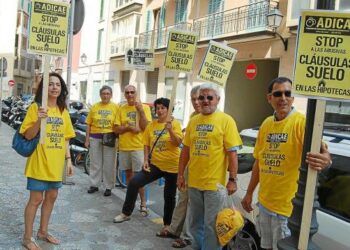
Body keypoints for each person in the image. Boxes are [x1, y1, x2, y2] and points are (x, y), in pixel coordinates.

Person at [241, 77, 332, 250]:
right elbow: (258, 164)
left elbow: (323, 153)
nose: (283, 97)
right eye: (278, 94)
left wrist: (326, 158)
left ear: (293, 97)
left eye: (288, 93)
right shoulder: (266, 124)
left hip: (286, 212)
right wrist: (249, 193)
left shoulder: (301, 122)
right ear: (269, 98)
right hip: (264, 205)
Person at [177, 83, 243, 250]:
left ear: (217, 100)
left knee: (211, 227)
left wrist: (233, 179)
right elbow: (186, 150)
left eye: (209, 97)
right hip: (194, 183)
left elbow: (232, 154)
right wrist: (180, 175)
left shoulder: (226, 120)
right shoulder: (194, 121)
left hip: (215, 185)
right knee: (193, 225)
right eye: (201, 97)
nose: (205, 100)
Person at [20, 72, 75, 250]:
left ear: (62, 89)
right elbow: (28, 135)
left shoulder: (63, 111)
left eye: (58, 85)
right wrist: (39, 119)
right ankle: (27, 238)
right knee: (35, 199)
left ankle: (43, 232)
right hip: (39, 161)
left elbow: (66, 138)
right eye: (50, 84)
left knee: (52, 197)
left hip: (56, 162)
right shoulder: (36, 108)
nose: (54, 87)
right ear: (45, 88)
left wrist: (68, 160)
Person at [113, 97, 183, 227]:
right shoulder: (152, 125)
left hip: (172, 166)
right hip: (155, 165)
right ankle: (126, 213)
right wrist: (145, 160)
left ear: (168, 110)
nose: (160, 111)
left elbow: (177, 143)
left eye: (163, 108)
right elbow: (146, 144)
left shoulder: (175, 124)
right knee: (134, 182)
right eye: (158, 108)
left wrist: (170, 130)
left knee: (169, 196)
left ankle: (167, 225)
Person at [157, 85, 201, 248]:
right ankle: (174, 229)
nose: (198, 101)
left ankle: (187, 236)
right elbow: (186, 144)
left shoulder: (218, 118)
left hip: (204, 169)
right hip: (190, 164)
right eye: (194, 98)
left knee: (193, 205)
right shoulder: (194, 116)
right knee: (183, 199)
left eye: (201, 98)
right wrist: (182, 172)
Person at [114, 85, 152, 215]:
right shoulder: (121, 109)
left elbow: (146, 127)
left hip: (138, 147)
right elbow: (116, 129)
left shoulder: (145, 107)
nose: (130, 95)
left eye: (132, 92)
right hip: (124, 147)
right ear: (124, 94)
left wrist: (140, 111)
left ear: (136, 93)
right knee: (129, 176)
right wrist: (128, 128)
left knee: (140, 177)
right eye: (127, 92)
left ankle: (143, 203)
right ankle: (131, 201)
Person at [85, 85, 119, 197]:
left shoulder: (115, 107)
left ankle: (108, 187)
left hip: (109, 137)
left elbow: (118, 124)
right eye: (103, 93)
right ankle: (94, 184)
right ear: (100, 95)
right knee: (95, 163)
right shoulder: (94, 107)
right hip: (95, 137)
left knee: (109, 163)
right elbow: (88, 124)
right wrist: (87, 140)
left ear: (111, 95)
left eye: (108, 93)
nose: (105, 95)